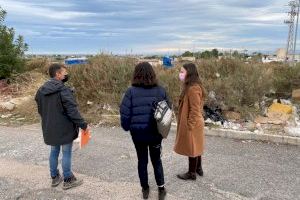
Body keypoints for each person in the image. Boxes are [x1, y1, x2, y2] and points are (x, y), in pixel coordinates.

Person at [120, 62, 170, 200]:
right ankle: (161, 189)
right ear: (152, 74)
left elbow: (125, 114)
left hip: (138, 134)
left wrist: (127, 127)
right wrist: (164, 131)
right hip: (155, 134)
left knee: (142, 161)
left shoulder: (130, 92)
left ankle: (145, 189)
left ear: (136, 75)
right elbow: (167, 111)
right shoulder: (161, 90)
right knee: (156, 160)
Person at [35, 63, 88, 190]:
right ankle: (68, 179)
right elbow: (72, 111)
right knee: (66, 152)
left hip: (50, 127)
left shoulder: (41, 90)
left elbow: (40, 109)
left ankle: (54, 177)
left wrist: (48, 119)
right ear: (58, 74)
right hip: (64, 128)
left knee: (54, 151)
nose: (66, 75)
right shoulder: (63, 90)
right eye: (64, 72)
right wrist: (83, 125)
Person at [174, 63, 205, 180]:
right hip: (194, 122)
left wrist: (189, 125)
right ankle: (198, 168)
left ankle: (191, 173)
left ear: (189, 73)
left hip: (193, 123)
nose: (180, 74)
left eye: (182, 72)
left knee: (192, 147)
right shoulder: (191, 86)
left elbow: (195, 109)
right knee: (196, 146)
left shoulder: (193, 88)